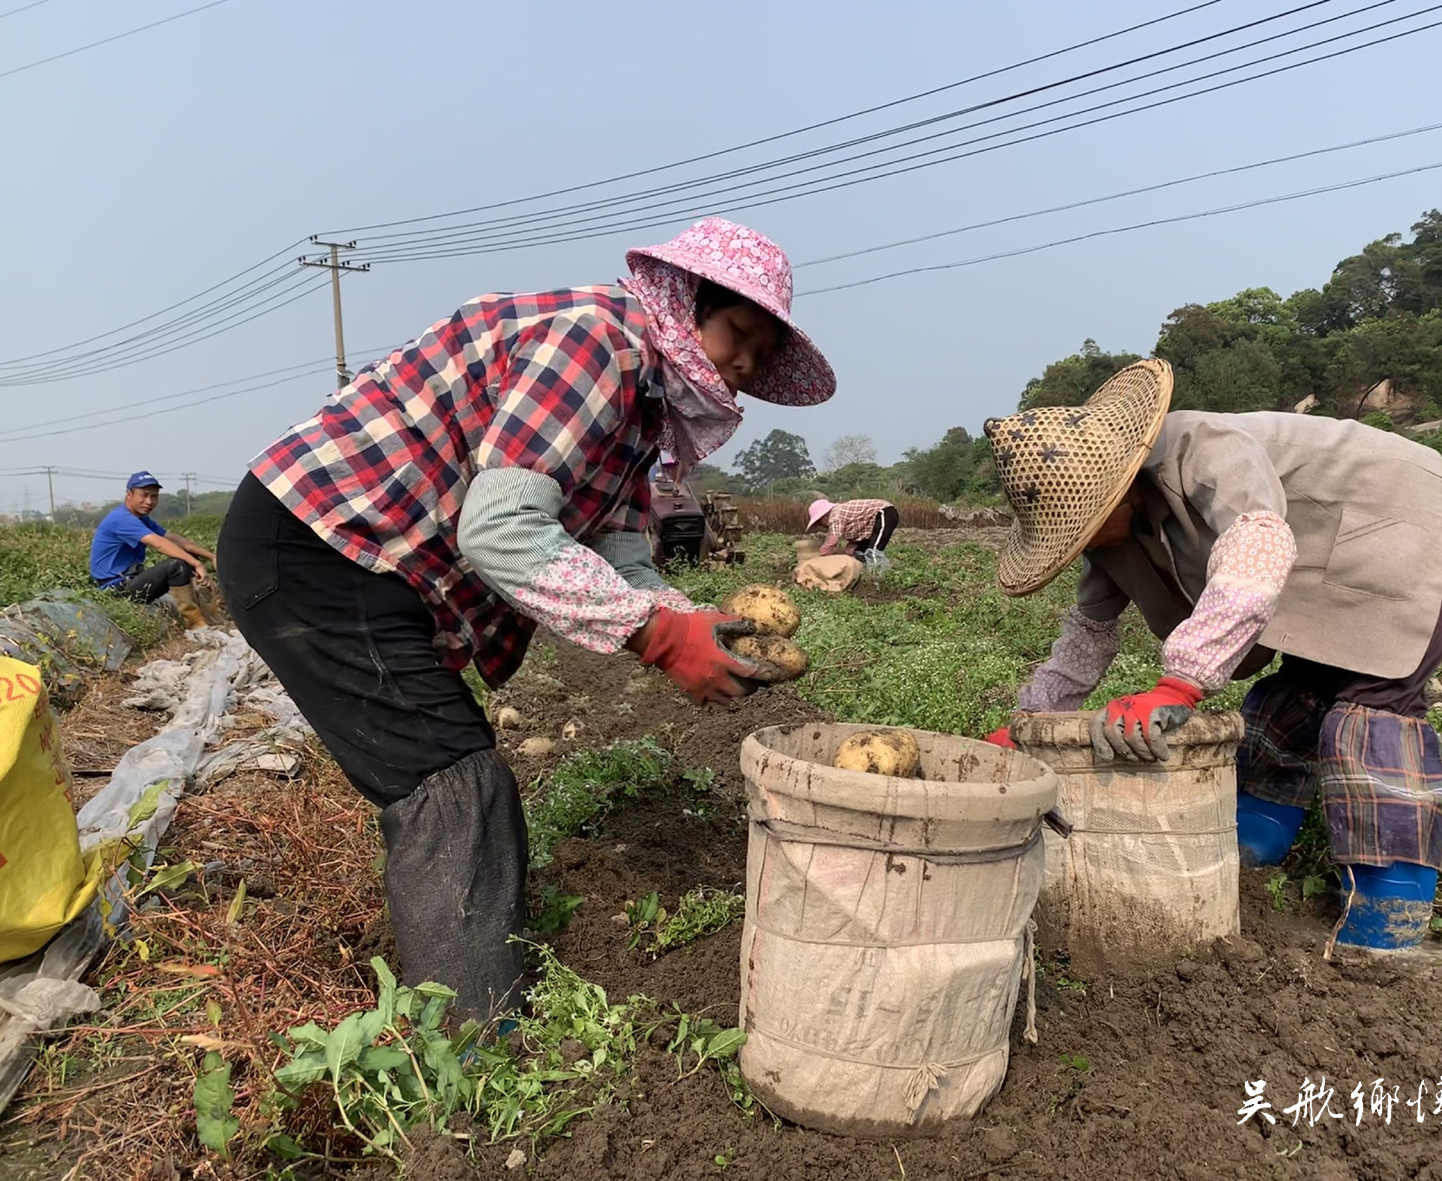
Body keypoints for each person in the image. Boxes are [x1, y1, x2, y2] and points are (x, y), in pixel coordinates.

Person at [217, 218, 835, 1020]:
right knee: (453, 782)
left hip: (370, 562)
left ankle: (457, 1001)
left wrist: (691, 621)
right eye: (736, 333)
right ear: (685, 303)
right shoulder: (594, 342)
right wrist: (653, 635)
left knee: (448, 771)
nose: (744, 363)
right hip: (321, 545)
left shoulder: (638, 408)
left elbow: (622, 555)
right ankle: (469, 1042)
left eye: (761, 355)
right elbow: (502, 528)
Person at [982, 359, 1442, 953]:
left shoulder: (1204, 450)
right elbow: (1088, 632)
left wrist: (1179, 682)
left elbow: (1257, 545)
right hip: (1304, 536)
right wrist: (1029, 723)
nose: (1081, 542)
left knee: (1373, 697)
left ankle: (1390, 909)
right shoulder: (1111, 537)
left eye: (1083, 527)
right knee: (1303, 688)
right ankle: (1257, 842)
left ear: (1117, 488)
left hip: (1385, 508)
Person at [90, 472, 216, 628]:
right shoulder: (121, 518)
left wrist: (211, 557)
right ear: (129, 494)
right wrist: (197, 564)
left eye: (154, 496)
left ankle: (211, 614)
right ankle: (195, 623)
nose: (149, 501)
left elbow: (174, 539)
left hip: (133, 580)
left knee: (186, 559)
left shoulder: (142, 519)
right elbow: (159, 544)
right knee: (175, 566)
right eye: (144, 495)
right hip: (117, 589)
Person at [807, 497, 898, 571]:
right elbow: (851, 547)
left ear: (824, 516)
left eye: (819, 522)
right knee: (859, 553)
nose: (822, 526)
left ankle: (879, 576)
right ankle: (864, 571)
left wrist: (820, 557)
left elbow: (832, 540)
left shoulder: (836, 515)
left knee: (873, 552)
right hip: (872, 523)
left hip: (884, 513)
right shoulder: (844, 518)